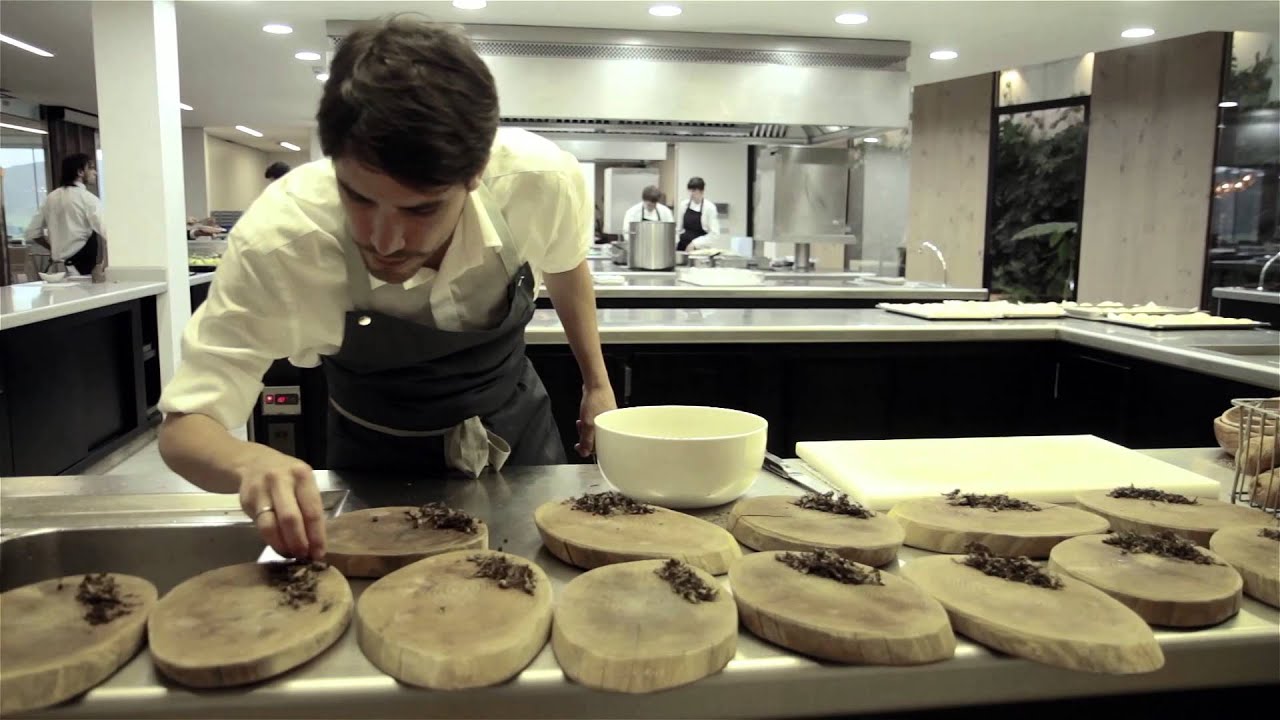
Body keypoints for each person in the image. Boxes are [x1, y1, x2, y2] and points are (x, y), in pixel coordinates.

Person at [157, 16, 617, 561]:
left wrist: (596, 382)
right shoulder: (280, 243)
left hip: (518, 434)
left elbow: (566, 267)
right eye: (358, 198)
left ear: (475, 175)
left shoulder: (539, 183)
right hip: (375, 455)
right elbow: (185, 427)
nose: (386, 240)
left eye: (420, 208)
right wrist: (247, 462)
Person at [24, 153, 108, 281]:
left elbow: (32, 233)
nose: (95, 172)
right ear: (80, 172)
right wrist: (103, 266)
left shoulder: (51, 198)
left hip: (55, 272)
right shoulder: (88, 199)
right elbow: (108, 233)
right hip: (81, 273)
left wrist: (55, 248)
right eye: (90, 168)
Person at [676, 176, 720, 252]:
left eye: (694, 191)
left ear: (702, 191)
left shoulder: (709, 208)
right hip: (682, 247)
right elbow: (678, 229)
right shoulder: (684, 205)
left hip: (700, 250)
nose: (691, 193)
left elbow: (714, 234)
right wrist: (675, 242)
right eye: (690, 190)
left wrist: (694, 244)